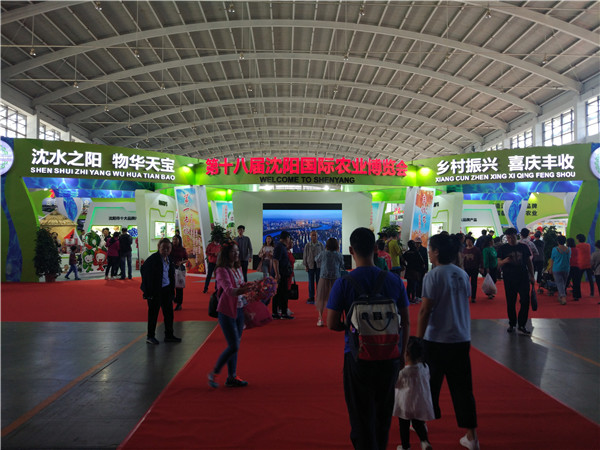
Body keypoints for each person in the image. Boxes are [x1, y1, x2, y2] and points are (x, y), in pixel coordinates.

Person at [326, 227, 410, 450]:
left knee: (360, 415)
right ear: (375, 248)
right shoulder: (394, 281)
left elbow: (331, 323)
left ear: (351, 250)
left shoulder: (344, 283)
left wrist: (353, 328)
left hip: (357, 357)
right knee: (383, 414)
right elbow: (406, 321)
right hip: (389, 355)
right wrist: (402, 354)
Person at [417, 233, 479, 450]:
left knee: (429, 386)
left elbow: (425, 310)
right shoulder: (462, 274)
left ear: (437, 252)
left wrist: (418, 340)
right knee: (463, 389)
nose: (428, 252)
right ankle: (472, 436)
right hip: (461, 338)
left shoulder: (433, 276)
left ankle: (421, 425)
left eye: (430, 249)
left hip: (436, 340)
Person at [207, 240, 253, 388]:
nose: (236, 254)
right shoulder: (221, 270)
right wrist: (245, 290)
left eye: (237, 251)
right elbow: (228, 290)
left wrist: (252, 288)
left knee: (235, 345)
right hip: (227, 311)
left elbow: (241, 285)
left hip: (239, 309)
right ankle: (214, 373)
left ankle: (232, 376)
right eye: (233, 251)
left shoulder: (237, 268)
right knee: (234, 346)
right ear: (226, 254)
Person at [393, 336, 434, 450]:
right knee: (418, 423)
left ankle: (405, 446)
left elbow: (396, 384)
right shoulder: (425, 367)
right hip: (420, 403)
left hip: (405, 405)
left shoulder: (404, 372)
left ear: (406, 353)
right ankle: (425, 441)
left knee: (404, 425)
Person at [140, 238, 181, 345]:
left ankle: (169, 335)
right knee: (153, 314)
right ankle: (150, 336)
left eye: (168, 248)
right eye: (163, 248)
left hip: (166, 289)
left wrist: (172, 291)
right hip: (155, 291)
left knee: (169, 313)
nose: (166, 250)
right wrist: (148, 291)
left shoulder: (169, 259)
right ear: (159, 248)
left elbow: (170, 274)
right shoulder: (153, 259)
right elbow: (144, 271)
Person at [497, 228, 535, 335]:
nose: (510, 239)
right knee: (511, 301)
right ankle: (512, 323)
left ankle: (522, 324)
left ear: (516, 236)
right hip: (509, 278)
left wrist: (532, 276)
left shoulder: (523, 247)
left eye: (512, 237)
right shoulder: (503, 248)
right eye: (508, 237)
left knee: (525, 300)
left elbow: (529, 262)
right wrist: (505, 261)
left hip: (523, 276)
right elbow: (498, 263)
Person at [314, 237, 344, 327]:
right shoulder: (339, 255)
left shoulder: (323, 253)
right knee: (336, 298)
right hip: (336, 278)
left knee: (321, 298)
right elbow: (342, 265)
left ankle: (320, 318)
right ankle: (336, 318)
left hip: (324, 278)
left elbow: (316, 259)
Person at [272, 231, 294, 320]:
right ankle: (280, 313)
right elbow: (275, 260)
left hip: (283, 273)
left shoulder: (282, 247)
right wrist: (277, 274)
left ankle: (279, 312)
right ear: (286, 238)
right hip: (281, 274)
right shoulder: (280, 247)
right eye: (289, 238)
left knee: (281, 293)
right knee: (280, 294)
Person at [303, 230, 324, 304]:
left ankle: (319, 297)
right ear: (310, 236)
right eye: (313, 235)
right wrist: (306, 265)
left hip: (319, 266)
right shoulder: (307, 245)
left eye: (315, 235)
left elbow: (323, 255)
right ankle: (311, 297)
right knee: (311, 282)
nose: (314, 237)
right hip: (310, 265)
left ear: (317, 236)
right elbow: (305, 255)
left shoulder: (321, 245)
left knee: (319, 282)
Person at [548, 235, 570, 305]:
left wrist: (550, 268)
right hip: (566, 268)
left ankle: (563, 297)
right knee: (563, 283)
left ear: (557, 241)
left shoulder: (555, 249)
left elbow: (552, 259)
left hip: (557, 268)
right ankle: (560, 296)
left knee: (559, 283)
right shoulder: (569, 249)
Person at [170, 234, 188, 311]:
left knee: (179, 287)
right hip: (170, 268)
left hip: (179, 268)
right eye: (173, 239)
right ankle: (172, 299)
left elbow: (186, 259)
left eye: (176, 239)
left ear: (179, 240)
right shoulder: (170, 248)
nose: (174, 241)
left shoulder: (182, 249)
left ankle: (179, 303)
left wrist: (181, 262)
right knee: (170, 285)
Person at [463, 236, 482, 303]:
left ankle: (473, 297)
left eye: (470, 241)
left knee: (474, 283)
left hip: (474, 268)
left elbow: (480, 258)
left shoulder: (476, 250)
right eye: (467, 241)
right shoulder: (464, 250)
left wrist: (481, 267)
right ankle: (466, 295)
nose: (468, 242)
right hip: (466, 268)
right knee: (465, 283)